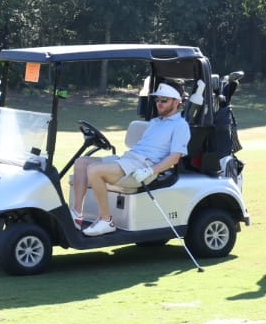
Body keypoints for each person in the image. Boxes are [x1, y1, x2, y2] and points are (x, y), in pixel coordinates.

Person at [71, 82, 192, 236]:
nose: (159, 104)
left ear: (176, 102)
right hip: (129, 159)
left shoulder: (180, 126)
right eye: (157, 100)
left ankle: (106, 220)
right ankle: (77, 214)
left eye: (164, 100)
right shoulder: (155, 122)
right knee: (81, 162)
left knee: (94, 171)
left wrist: (150, 170)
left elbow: (174, 158)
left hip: (144, 168)